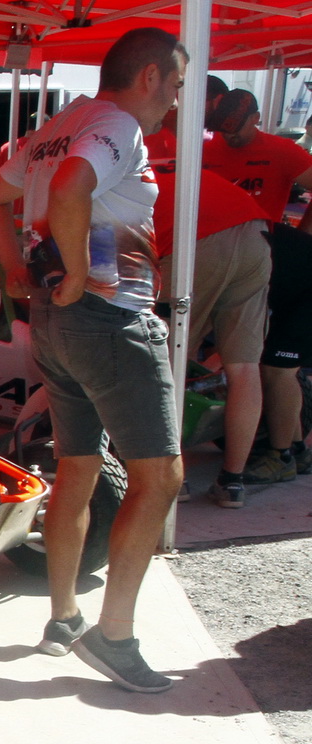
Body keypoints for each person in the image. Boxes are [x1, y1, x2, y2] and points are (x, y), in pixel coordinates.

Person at [0, 25, 187, 693]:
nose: (175, 102)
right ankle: (113, 636)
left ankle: (63, 617)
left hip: (54, 321)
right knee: (160, 477)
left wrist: (18, 269)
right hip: (110, 320)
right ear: (149, 76)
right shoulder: (118, 124)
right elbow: (70, 189)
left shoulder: (60, 124)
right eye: (176, 85)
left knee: (77, 466)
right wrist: (75, 270)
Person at [146, 141, 275, 506]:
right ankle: (232, 481)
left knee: (167, 359)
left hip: (195, 243)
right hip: (254, 234)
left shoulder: (119, 172)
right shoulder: (174, 167)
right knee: (244, 366)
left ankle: (174, 480)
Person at [203, 89, 312, 229]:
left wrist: (303, 233)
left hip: (260, 238)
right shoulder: (205, 152)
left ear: (255, 118)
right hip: (214, 237)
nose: (229, 134)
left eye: (236, 127)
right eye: (224, 128)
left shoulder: (281, 150)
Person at [259, 222, 312, 478]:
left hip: (303, 293)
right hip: (295, 291)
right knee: (279, 367)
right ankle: (297, 449)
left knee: (278, 371)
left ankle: (280, 457)